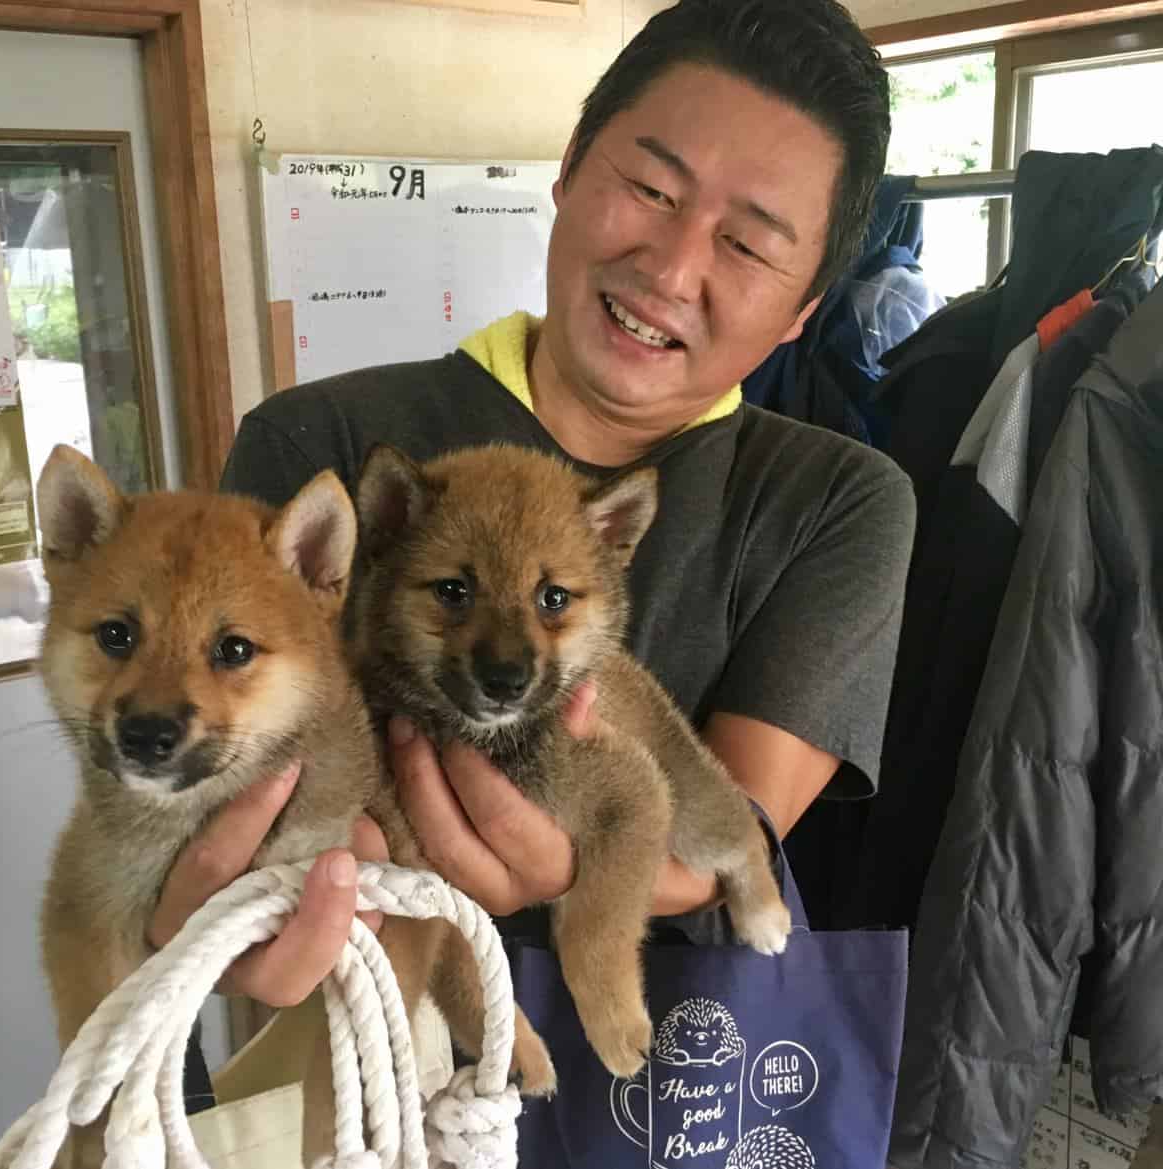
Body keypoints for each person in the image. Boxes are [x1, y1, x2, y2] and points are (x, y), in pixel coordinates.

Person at [150, 0, 915, 1012]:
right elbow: (219, 774)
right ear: (565, 170)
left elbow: (729, 835)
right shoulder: (318, 449)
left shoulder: (836, 501)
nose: (672, 268)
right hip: (367, 1024)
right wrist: (207, 914)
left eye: (748, 245)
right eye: (648, 187)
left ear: (803, 308)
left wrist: (575, 872)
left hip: (672, 1061)